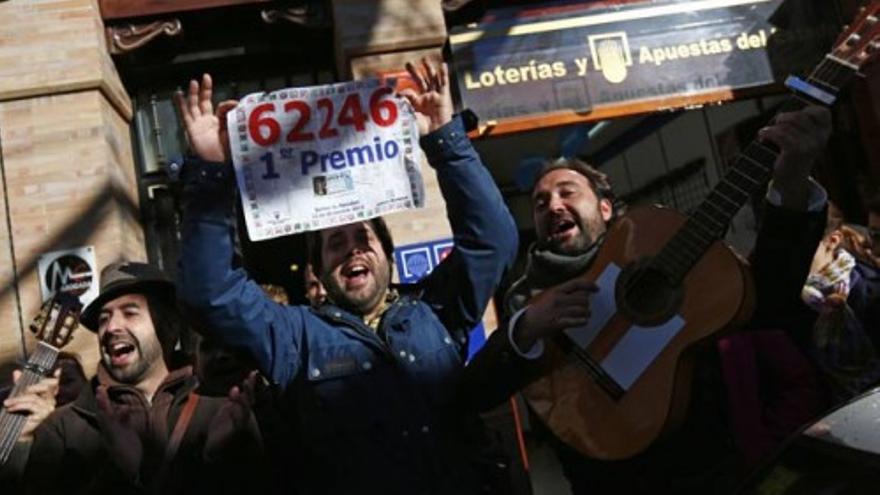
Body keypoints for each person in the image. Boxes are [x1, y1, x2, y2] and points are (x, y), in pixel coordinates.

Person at [175, 59, 517, 495]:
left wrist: (445, 140)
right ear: (317, 271)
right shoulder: (294, 337)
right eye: (335, 243)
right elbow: (210, 293)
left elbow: (494, 241)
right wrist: (212, 173)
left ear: (387, 256)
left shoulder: (437, 310)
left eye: (363, 237)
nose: (353, 247)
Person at [464, 105, 833, 493]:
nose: (553, 205)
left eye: (567, 192)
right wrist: (527, 328)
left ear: (605, 208)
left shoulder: (657, 249)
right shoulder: (528, 297)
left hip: (712, 472)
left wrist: (792, 186)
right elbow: (477, 391)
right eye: (539, 203)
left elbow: (768, 299)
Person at [21, 261, 267, 495]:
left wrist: (215, 459)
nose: (111, 327)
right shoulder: (64, 427)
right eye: (104, 318)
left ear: (169, 327)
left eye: (130, 313)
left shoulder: (221, 405)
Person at [799, 222, 880, 403]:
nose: (793, 257)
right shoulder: (792, 300)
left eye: (802, 247)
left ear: (833, 241)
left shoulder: (870, 293)